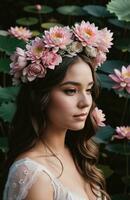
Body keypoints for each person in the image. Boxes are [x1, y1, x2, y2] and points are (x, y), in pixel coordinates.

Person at [2, 21, 113, 200]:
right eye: (71, 90)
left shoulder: (76, 153)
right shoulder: (33, 174)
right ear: (41, 97)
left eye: (89, 90)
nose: (85, 102)